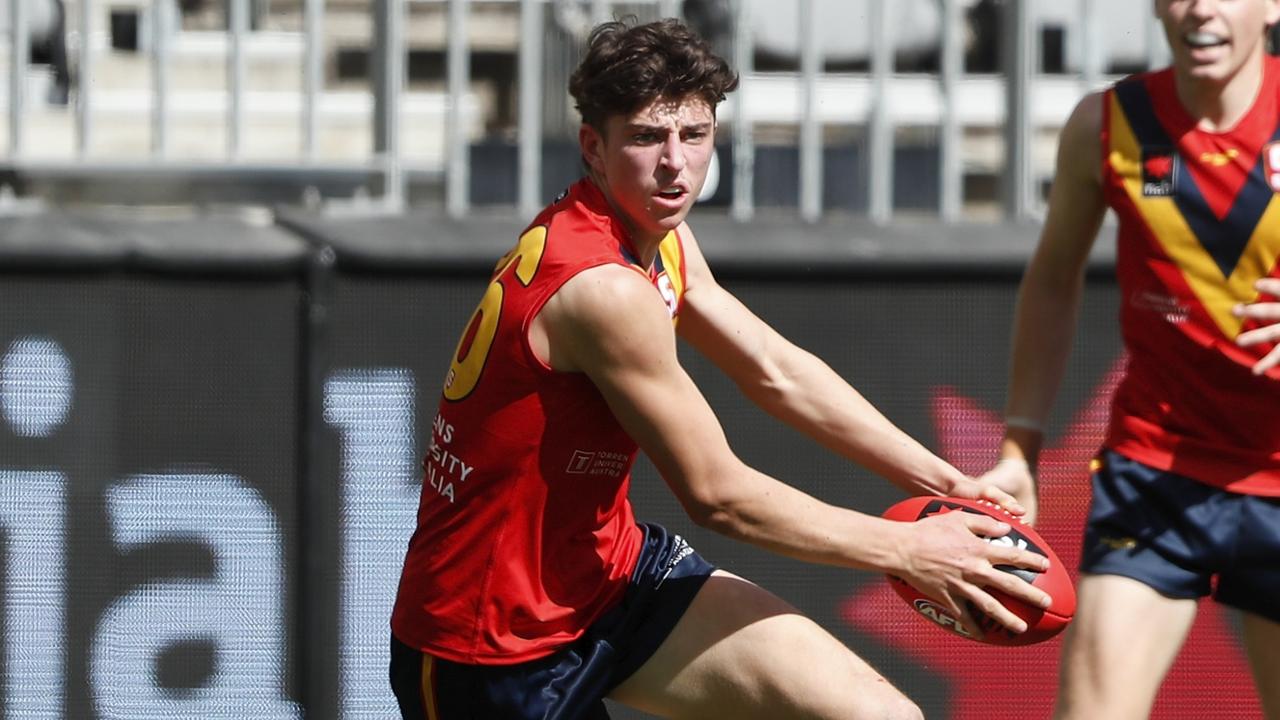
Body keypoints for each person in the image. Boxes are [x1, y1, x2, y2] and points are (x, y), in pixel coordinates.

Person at [390, 18, 1052, 720]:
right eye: (647, 137)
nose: (675, 162)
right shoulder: (604, 289)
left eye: (695, 135)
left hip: (609, 578)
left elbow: (773, 369)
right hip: (491, 645)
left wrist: (949, 484)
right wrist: (909, 549)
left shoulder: (653, 231)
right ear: (594, 146)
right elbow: (719, 497)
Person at [980, 1, 1280, 718]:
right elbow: (1053, 282)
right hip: (1155, 475)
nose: (1200, 8)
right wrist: (1020, 446)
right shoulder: (1106, 125)